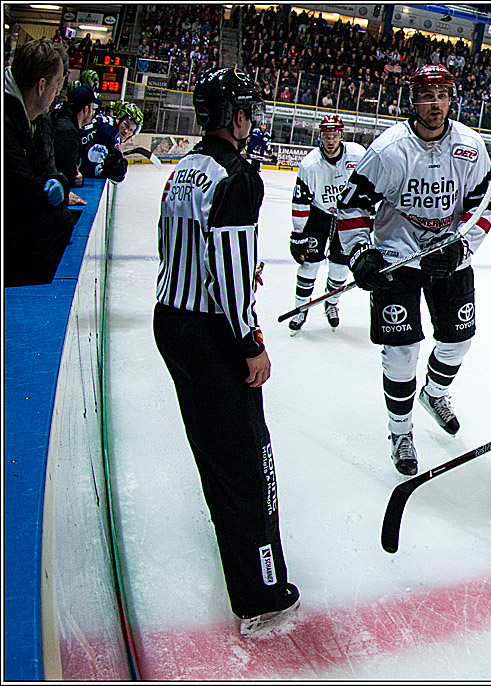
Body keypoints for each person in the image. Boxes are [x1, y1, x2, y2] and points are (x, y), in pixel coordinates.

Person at [152, 67, 299, 637]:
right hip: (215, 335)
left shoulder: (184, 168)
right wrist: (251, 344)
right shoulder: (238, 177)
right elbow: (233, 281)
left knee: (216, 454)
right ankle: (261, 593)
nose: (252, 122)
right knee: (248, 463)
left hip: (173, 322)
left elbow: (183, 248)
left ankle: (247, 573)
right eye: (249, 112)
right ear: (237, 117)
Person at [335, 64, 491, 476]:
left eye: (442, 94)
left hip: (448, 254)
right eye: (428, 95)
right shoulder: (389, 150)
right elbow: (352, 206)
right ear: (414, 100)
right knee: (402, 352)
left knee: (459, 340)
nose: (436, 103)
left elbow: (486, 205)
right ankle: (400, 431)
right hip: (397, 258)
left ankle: (435, 393)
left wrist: (460, 247)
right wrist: (359, 255)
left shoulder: (470, 146)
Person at [4, 37, 75, 287]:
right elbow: (20, 192)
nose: (59, 92)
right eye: (57, 84)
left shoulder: (41, 119)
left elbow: (48, 170)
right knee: (57, 222)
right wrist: (50, 188)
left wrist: (56, 183)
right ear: (42, 85)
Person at [287, 114, 366, 333]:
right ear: (320, 136)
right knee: (309, 263)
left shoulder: (358, 154)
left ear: (341, 135)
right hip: (319, 214)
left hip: (346, 216)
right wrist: (298, 234)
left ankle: (332, 304)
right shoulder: (310, 164)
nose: (330, 141)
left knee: (340, 266)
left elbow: (370, 183)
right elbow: (301, 200)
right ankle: (300, 308)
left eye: (334, 136)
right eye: (326, 136)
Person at [79, 99, 143, 182]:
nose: (126, 131)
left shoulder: (108, 124)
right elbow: (90, 170)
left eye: (131, 130)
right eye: (126, 125)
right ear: (119, 118)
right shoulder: (109, 132)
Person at [52, 84, 102, 188]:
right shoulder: (67, 131)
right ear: (86, 109)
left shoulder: (64, 123)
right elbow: (68, 177)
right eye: (93, 108)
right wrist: (77, 179)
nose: (94, 113)